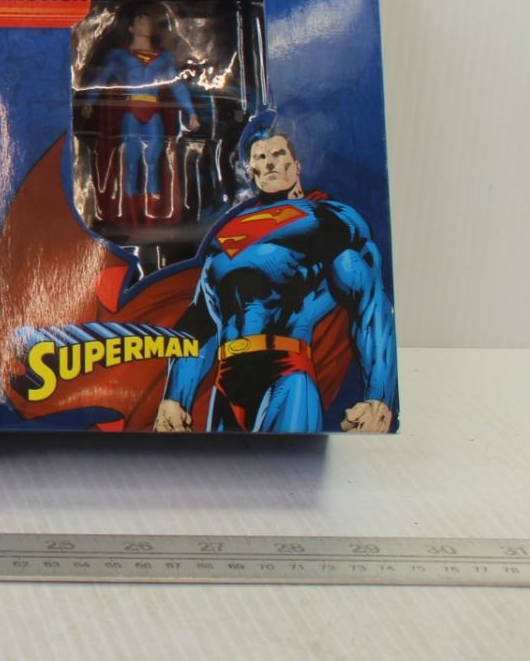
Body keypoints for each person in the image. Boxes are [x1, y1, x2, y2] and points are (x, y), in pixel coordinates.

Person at [155, 116, 395, 433]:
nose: (269, 162)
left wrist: (379, 395)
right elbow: (201, 321)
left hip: (286, 374)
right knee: (217, 466)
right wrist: (174, 397)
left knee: (289, 463)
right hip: (226, 381)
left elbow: (370, 302)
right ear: (251, 171)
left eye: (278, 154)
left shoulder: (328, 219)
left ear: (296, 166)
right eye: (260, 157)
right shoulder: (225, 236)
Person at [78, 4, 199, 227]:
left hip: (153, 111)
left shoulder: (164, 58)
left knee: (153, 160)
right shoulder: (120, 56)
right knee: (131, 162)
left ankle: (154, 215)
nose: (147, 25)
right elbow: (101, 81)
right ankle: (129, 215)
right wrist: (89, 102)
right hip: (131, 111)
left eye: (149, 21)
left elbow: (177, 87)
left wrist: (191, 113)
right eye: (141, 21)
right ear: (131, 28)